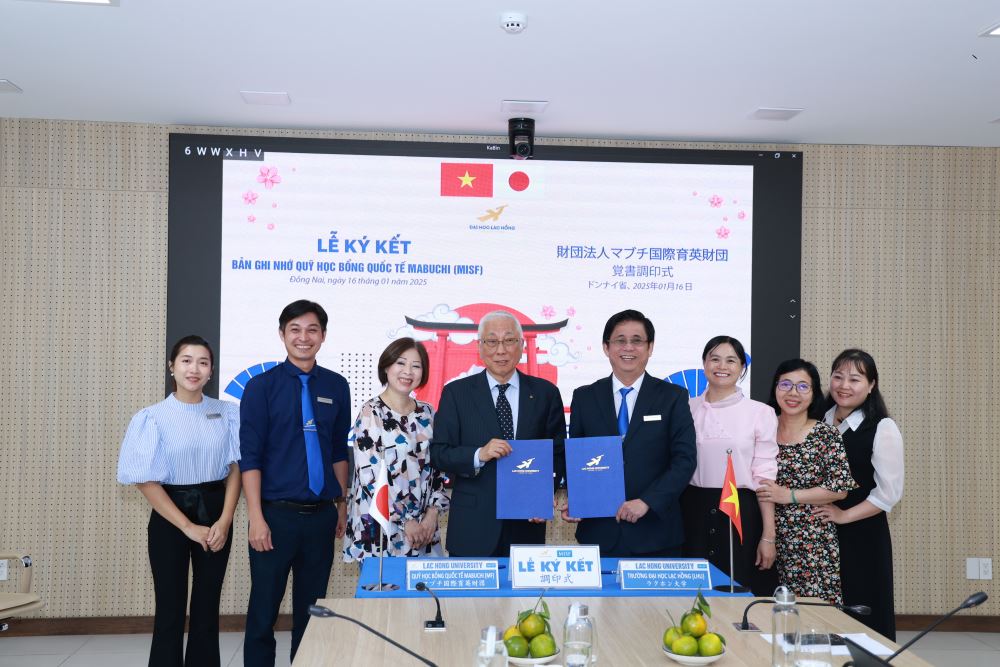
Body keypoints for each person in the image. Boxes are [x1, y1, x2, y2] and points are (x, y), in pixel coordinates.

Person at [117, 335, 241, 667]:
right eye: (186, 360)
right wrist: (187, 526)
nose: (194, 369)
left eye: (203, 362)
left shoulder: (227, 413)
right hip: (170, 516)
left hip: (216, 514)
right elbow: (145, 480)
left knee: (207, 606)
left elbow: (236, 468)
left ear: (211, 370)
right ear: (171, 366)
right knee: (170, 608)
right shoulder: (152, 417)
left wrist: (225, 520)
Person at [239, 300, 351, 666]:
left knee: (312, 611)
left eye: (312, 330)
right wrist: (256, 517)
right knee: (263, 611)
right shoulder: (261, 387)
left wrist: (341, 505)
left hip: (321, 517)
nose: (304, 337)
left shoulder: (337, 385)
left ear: (323, 335)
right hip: (275, 517)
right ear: (282, 334)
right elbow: (250, 458)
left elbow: (338, 452)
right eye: (295, 330)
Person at [429, 310, 566, 557]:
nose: (501, 350)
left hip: (527, 525)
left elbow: (557, 453)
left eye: (509, 340)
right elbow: (439, 453)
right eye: (492, 341)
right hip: (473, 527)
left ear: (521, 345)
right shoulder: (456, 394)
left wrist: (543, 494)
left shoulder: (545, 393)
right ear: (480, 347)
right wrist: (478, 454)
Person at [561, 310, 697, 557]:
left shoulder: (673, 397)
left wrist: (648, 502)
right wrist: (579, 498)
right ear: (606, 347)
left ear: (650, 347)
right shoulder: (585, 397)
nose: (628, 348)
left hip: (656, 531)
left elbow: (684, 460)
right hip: (599, 532)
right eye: (620, 340)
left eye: (637, 340)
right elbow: (577, 457)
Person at [813, 349, 903, 641]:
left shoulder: (882, 427)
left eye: (854, 379)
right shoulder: (818, 420)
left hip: (862, 535)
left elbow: (888, 494)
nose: (844, 385)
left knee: (862, 613)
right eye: (838, 377)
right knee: (819, 615)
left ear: (871, 385)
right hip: (817, 535)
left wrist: (843, 515)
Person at [682, 335, 778, 595]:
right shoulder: (685, 407)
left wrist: (768, 535)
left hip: (739, 510)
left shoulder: (760, 412)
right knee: (692, 593)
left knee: (735, 589)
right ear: (704, 363)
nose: (722, 366)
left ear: (742, 367)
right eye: (715, 359)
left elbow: (765, 477)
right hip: (691, 509)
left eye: (731, 360)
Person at [757, 359, 856, 603]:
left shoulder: (826, 434)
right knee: (762, 609)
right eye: (786, 384)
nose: (793, 393)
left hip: (811, 540)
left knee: (813, 614)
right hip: (761, 533)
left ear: (813, 395)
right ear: (775, 388)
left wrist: (789, 496)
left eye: (803, 386)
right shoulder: (761, 428)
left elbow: (839, 488)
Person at [343, 338, 449, 562]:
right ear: (386, 367)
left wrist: (432, 515)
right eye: (400, 363)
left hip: (423, 530)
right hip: (381, 529)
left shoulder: (428, 413)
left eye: (416, 366)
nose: (408, 371)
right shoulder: (371, 412)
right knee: (384, 586)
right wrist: (405, 520)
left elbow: (440, 467)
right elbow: (369, 477)